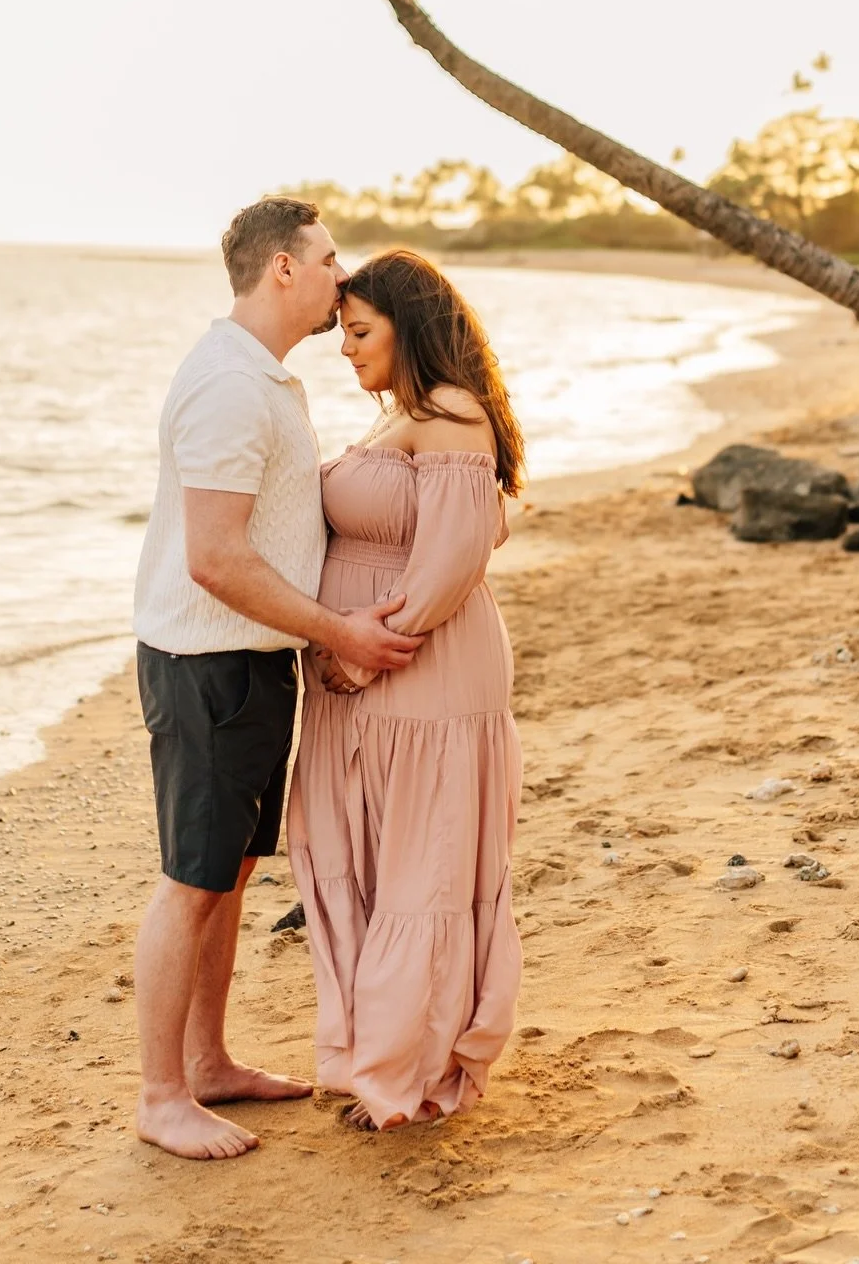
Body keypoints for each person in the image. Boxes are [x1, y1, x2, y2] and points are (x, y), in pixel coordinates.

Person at [130, 197, 421, 1163]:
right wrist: (336, 627)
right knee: (190, 881)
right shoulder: (227, 385)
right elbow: (214, 557)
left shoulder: (265, 379)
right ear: (284, 270)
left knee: (233, 873)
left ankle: (207, 1063)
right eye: (330, 260)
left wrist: (316, 636)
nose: (345, 277)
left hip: (253, 662)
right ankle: (161, 1094)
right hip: (205, 665)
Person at [287, 247, 525, 1131]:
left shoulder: (453, 413)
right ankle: (377, 1057)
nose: (345, 349)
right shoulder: (402, 417)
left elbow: (452, 561)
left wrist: (355, 653)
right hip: (369, 686)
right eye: (342, 333)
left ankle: (409, 1075)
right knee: (373, 864)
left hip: (419, 678)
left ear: (408, 326)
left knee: (421, 871)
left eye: (358, 332)